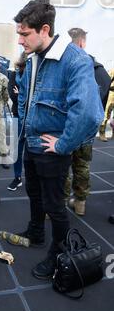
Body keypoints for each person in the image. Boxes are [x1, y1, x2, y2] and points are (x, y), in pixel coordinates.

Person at [12, 0, 104, 280]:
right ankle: (37, 232)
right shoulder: (34, 58)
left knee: (55, 204)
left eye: (24, 34)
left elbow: (89, 113)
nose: (20, 40)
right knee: (35, 193)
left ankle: (58, 252)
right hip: (32, 142)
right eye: (19, 34)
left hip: (53, 149)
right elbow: (26, 96)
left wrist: (64, 143)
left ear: (45, 29)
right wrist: (27, 129)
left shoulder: (75, 60)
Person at [64, 28, 111, 215]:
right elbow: (105, 88)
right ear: (83, 42)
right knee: (82, 165)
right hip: (87, 127)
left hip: (67, 124)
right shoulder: (96, 67)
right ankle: (80, 202)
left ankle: (61, 202)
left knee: (64, 165)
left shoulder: (65, 63)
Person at [7, 52, 27, 191]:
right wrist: (23, 95)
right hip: (17, 115)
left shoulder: (36, 74)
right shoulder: (15, 74)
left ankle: (34, 179)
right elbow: (12, 94)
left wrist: (22, 94)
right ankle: (17, 177)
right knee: (17, 149)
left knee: (34, 150)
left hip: (34, 116)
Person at [99, 68, 114, 141]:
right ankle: (102, 133)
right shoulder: (112, 70)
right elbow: (106, 81)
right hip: (111, 94)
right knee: (106, 114)